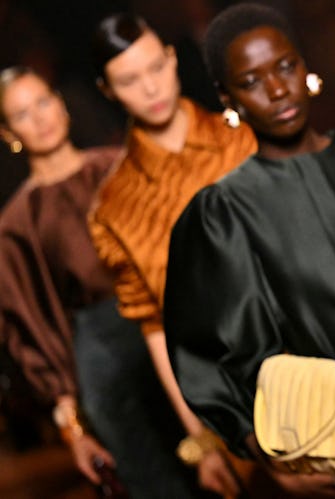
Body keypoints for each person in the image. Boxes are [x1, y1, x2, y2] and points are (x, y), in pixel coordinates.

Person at [163, 3, 335, 498]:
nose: (277, 88)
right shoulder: (222, 213)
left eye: (285, 67)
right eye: (251, 80)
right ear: (229, 98)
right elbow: (204, 351)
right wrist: (269, 456)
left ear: (305, 67)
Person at [87, 12, 258, 498]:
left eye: (155, 67)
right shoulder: (114, 207)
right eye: (128, 80)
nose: (150, 88)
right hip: (229, 396)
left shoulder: (241, 137)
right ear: (107, 90)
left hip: (319, 352)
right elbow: (155, 328)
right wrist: (201, 440)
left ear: (171, 57)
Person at [0, 65, 137, 496]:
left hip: (170, 334)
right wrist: (72, 427)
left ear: (61, 104)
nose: (39, 118)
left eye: (43, 102)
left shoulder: (120, 168)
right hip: (102, 364)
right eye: (22, 114)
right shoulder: (17, 224)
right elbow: (34, 327)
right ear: (8, 133)